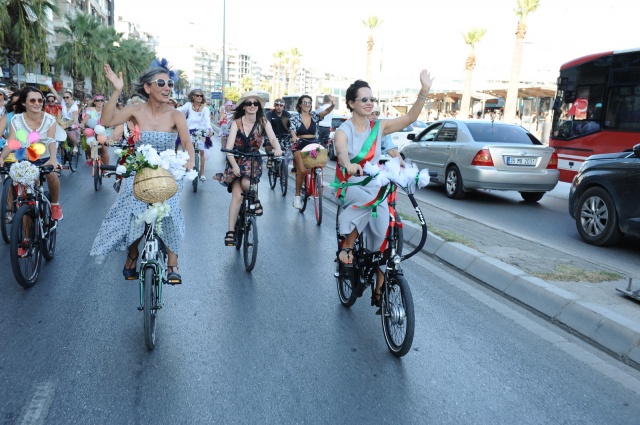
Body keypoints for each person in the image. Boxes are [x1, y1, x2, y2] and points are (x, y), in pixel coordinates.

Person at [90, 62, 195, 285]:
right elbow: (106, 121)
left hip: (168, 173)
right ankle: (132, 254)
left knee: (171, 211)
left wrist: (190, 164)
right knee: (130, 210)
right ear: (147, 88)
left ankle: (172, 263)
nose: (167, 88)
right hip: (138, 170)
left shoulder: (176, 114)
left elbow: (187, 143)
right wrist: (117, 90)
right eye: (161, 83)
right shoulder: (135, 111)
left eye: (170, 83)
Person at [334, 69, 432, 306]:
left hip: (377, 186)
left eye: (371, 99)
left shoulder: (379, 127)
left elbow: (409, 118)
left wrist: (424, 91)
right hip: (352, 184)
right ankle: (347, 245)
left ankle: (379, 289)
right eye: (364, 99)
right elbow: (341, 153)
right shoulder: (343, 130)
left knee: (382, 237)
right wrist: (349, 165)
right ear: (351, 103)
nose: (369, 103)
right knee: (368, 202)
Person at [217, 91, 282, 246]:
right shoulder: (236, 123)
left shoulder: (263, 122)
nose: (252, 106)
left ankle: (255, 200)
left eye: (255, 103)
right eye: (249, 103)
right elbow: (229, 148)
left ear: (258, 107)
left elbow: (272, 138)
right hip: (235, 158)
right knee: (237, 197)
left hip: (253, 159)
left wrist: (277, 148)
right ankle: (231, 232)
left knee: (247, 182)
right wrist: (234, 166)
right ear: (244, 107)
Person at [0, 87, 64, 220]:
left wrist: (53, 159)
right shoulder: (16, 120)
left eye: (40, 100)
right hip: (25, 159)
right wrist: (2, 157)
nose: (37, 103)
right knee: (25, 200)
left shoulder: (49, 119)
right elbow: (12, 141)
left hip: (47, 156)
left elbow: (51, 140)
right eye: (33, 100)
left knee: (51, 174)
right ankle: (27, 238)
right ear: (24, 103)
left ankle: (55, 204)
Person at [289, 94, 335, 209]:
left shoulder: (314, 116)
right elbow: (292, 130)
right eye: (304, 102)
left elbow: (327, 111)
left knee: (319, 164)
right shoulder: (295, 117)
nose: (307, 105)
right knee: (302, 170)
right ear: (300, 105)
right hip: (299, 143)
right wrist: (294, 136)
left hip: (313, 143)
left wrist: (333, 104)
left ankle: (314, 181)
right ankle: (297, 196)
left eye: (309, 102)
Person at [176, 88, 212, 181]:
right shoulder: (188, 105)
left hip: (201, 130)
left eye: (201, 95)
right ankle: (188, 168)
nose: (199, 97)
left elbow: (207, 121)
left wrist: (209, 129)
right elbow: (179, 110)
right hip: (188, 131)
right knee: (188, 150)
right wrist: (169, 110)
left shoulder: (205, 109)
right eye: (197, 95)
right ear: (193, 96)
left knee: (202, 151)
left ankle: (202, 173)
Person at [80, 94, 112, 166]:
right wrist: (82, 124)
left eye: (101, 100)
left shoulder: (106, 110)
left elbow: (111, 120)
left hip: (104, 130)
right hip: (92, 130)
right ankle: (90, 157)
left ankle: (106, 168)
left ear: (104, 102)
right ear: (94, 102)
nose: (100, 102)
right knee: (88, 144)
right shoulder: (90, 110)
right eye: (97, 100)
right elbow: (86, 118)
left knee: (104, 148)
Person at [264, 98, 291, 166]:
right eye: (277, 105)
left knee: (291, 146)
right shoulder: (269, 114)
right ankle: (269, 158)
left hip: (284, 135)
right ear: (274, 105)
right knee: (268, 143)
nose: (279, 107)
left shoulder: (287, 114)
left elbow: (292, 125)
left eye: (281, 105)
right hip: (272, 134)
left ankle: (287, 165)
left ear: (283, 106)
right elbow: (267, 124)